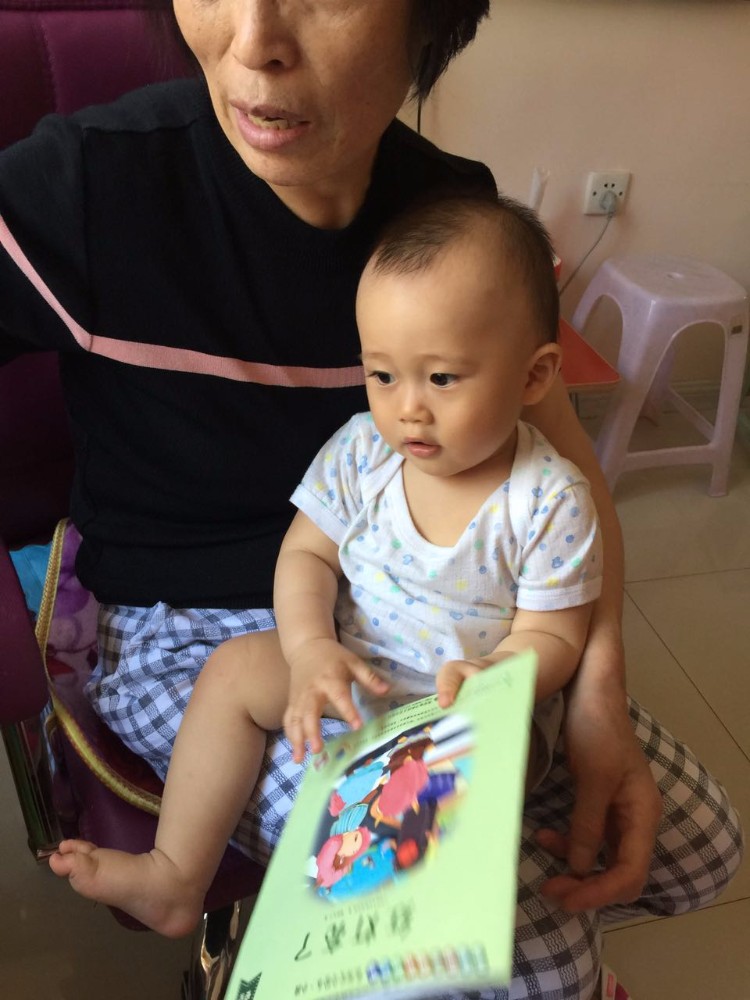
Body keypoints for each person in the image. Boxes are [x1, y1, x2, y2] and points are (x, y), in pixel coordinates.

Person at [0, 1, 741, 996]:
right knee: (520, 964)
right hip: (191, 633)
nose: (253, 41)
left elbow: (562, 466)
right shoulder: (88, 187)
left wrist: (597, 685)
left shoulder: (452, 222)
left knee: (699, 854)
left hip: (412, 608)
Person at [49, 192, 606, 938]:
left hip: (461, 711)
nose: (407, 409)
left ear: (534, 377)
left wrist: (502, 675)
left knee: (442, 852)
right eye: (382, 375)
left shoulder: (549, 499)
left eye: (442, 379)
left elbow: (556, 634)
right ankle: (176, 875)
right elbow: (306, 552)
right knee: (233, 671)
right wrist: (311, 647)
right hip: (357, 664)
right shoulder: (362, 450)